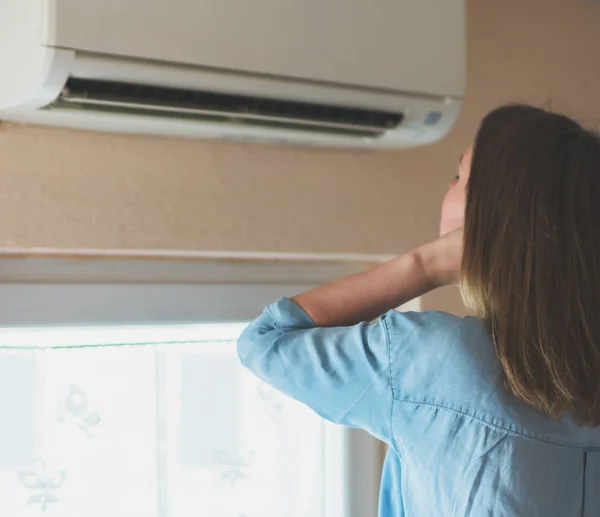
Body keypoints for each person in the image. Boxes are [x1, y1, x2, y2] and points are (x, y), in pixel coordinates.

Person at [237, 105, 600, 516]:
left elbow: (266, 342)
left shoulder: (435, 360)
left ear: (491, 212)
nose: (448, 186)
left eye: (460, 176)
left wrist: (426, 264)